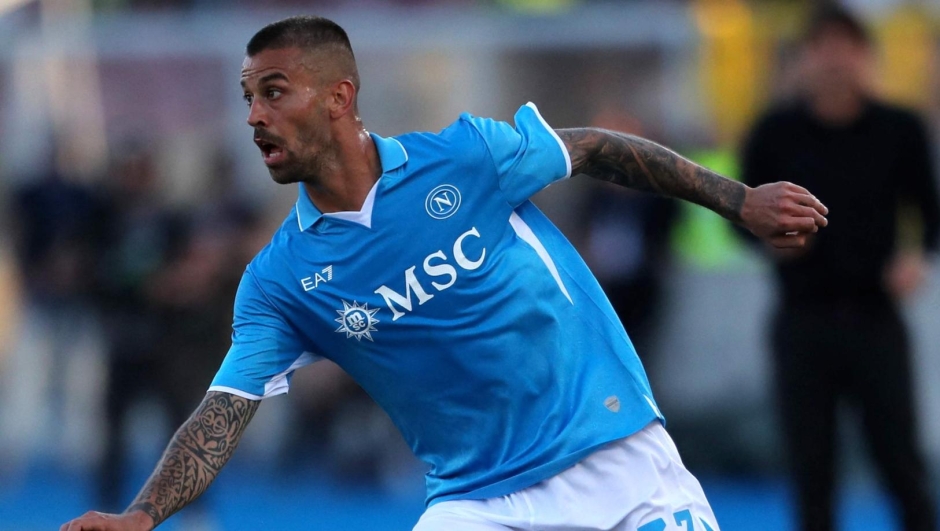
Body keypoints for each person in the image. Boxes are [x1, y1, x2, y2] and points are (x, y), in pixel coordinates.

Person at [61, 15, 827, 531]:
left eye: (272, 92)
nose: (254, 115)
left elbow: (591, 146)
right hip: (477, 504)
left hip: (618, 460)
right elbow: (222, 410)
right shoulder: (280, 280)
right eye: (246, 99)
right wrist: (142, 514)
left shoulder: (465, 156)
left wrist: (737, 199)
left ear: (339, 98)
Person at [741, 6, 939, 531]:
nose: (834, 61)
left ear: (865, 57)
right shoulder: (775, 132)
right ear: (803, 59)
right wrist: (773, 243)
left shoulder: (900, 130)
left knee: (901, 463)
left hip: (876, 318)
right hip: (803, 319)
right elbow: (739, 217)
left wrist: (914, 259)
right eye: (822, 48)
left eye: (846, 47)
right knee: (811, 469)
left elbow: (930, 212)